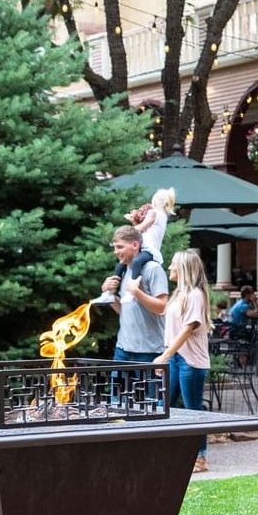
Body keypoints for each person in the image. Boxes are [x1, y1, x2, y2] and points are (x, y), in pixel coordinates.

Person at [154, 250, 212, 473]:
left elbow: (188, 330)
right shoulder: (178, 294)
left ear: (184, 268)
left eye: (173, 265)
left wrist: (165, 355)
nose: (169, 267)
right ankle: (163, 451)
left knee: (193, 410)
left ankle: (200, 458)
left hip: (190, 362)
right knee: (163, 406)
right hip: (175, 358)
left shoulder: (195, 295)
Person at [92, 188, 176, 305]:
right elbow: (143, 232)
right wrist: (134, 222)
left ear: (155, 200)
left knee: (136, 262)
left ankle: (131, 291)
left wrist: (127, 233)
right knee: (120, 266)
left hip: (149, 250)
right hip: (145, 248)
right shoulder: (162, 216)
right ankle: (109, 293)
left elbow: (141, 229)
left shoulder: (154, 213)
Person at [101, 226, 169, 367]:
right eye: (115, 248)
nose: (116, 252)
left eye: (120, 247)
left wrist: (136, 292)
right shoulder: (125, 271)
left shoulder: (153, 269)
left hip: (149, 351)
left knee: (148, 390)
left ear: (135, 245)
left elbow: (162, 307)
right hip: (123, 349)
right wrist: (109, 294)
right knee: (118, 390)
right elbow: (123, 311)